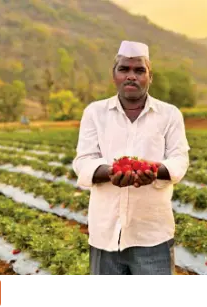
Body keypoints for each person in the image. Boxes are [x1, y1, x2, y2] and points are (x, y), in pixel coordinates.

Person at [72, 40, 190, 279]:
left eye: (139, 70)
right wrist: (111, 172)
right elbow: (83, 161)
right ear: (114, 75)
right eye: (124, 69)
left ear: (150, 76)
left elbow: (179, 159)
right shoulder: (95, 112)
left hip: (152, 234)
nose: (131, 76)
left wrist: (156, 170)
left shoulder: (169, 114)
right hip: (105, 233)